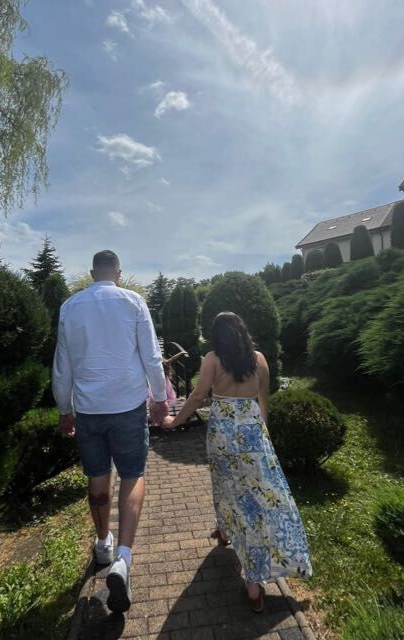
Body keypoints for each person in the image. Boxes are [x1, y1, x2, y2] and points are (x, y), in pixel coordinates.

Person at [161, 312, 312, 612]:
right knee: (257, 498)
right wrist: (262, 435)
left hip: (223, 436)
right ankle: (251, 575)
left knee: (226, 487)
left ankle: (228, 535)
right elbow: (263, 400)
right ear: (243, 332)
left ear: (217, 336)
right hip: (253, 434)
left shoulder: (212, 359)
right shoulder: (259, 359)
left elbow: (197, 396)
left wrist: (173, 421)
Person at [52, 250, 168, 614]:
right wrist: (160, 398)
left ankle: (103, 542)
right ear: (118, 273)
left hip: (88, 408)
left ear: (92, 274)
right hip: (128, 405)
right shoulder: (133, 302)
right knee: (132, 474)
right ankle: (123, 559)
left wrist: (64, 409)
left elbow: (62, 365)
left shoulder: (70, 307)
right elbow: (151, 356)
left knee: (98, 478)